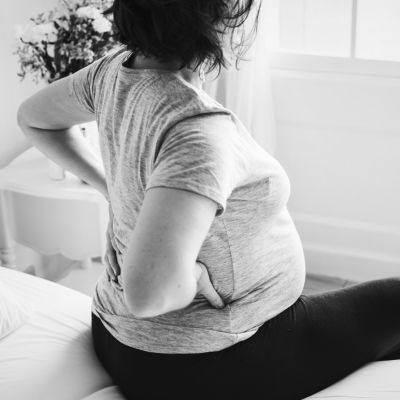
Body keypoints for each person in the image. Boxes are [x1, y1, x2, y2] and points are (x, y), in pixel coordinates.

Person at [17, 1, 400, 399]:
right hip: (204, 361)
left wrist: (111, 189)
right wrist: (197, 277)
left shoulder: (114, 71)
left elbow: (34, 118)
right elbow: (148, 294)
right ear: (214, 20)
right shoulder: (196, 132)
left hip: (122, 334)